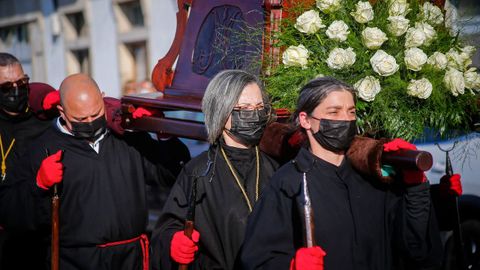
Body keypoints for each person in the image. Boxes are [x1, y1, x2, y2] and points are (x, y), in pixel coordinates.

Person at [240, 77, 444, 270]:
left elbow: (414, 246)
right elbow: (258, 258)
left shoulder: (373, 179)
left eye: (351, 112)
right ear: (306, 120)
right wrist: (291, 266)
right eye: (334, 112)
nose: (346, 120)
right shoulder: (289, 182)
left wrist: (416, 185)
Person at [3, 73, 176, 269]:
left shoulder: (127, 139)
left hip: (130, 259)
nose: (90, 122)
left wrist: (164, 134)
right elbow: (10, 213)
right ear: (62, 111)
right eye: (80, 118)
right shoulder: (41, 148)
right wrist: (38, 184)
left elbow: (169, 174)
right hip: (75, 262)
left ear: (103, 99)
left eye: (96, 114)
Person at [151, 69, 279, 270]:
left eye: (260, 107)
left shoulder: (276, 169)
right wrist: (173, 243)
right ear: (221, 112)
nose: (255, 115)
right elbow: (167, 229)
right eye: (245, 108)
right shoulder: (197, 173)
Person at [0, 52, 60, 270]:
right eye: (6, 87)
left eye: (21, 82)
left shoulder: (44, 119)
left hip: (44, 233)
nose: (15, 91)